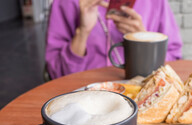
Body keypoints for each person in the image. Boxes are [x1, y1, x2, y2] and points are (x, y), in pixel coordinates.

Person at [45, 0, 182, 79]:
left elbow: (173, 60)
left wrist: (144, 41)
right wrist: (82, 32)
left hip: (140, 94)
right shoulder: (66, 3)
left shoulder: (155, 2)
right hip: (81, 95)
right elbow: (57, 73)